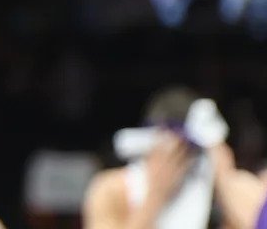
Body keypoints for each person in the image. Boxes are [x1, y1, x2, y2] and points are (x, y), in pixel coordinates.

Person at [83, 87, 217, 229]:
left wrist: (217, 150)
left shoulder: (211, 184)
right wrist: (156, 195)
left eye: (189, 152)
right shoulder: (112, 189)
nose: (178, 160)